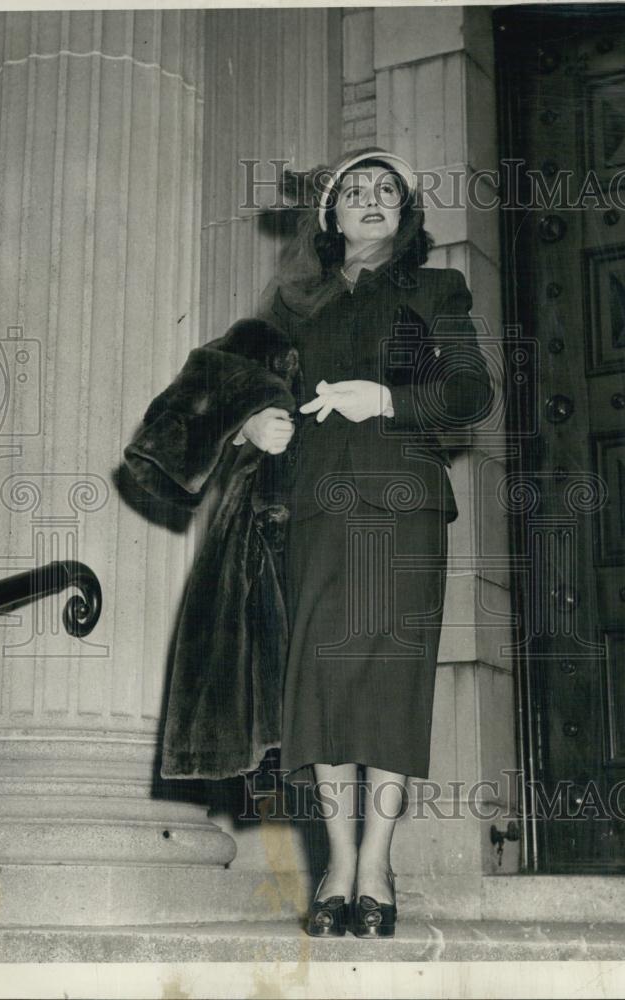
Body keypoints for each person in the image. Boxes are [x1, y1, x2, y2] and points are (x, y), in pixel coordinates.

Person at [238, 146, 493, 938]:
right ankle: (337, 868)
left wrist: (385, 397)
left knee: (388, 682)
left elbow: (469, 391)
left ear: (406, 212)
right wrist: (255, 423)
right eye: (356, 190)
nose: (372, 199)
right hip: (314, 508)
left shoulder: (436, 287)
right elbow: (246, 386)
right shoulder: (291, 301)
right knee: (320, 686)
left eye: (388, 190)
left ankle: (376, 867)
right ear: (331, 215)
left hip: (403, 506)